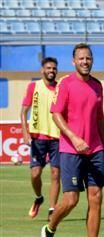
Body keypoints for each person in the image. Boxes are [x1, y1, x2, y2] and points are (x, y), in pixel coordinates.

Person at [39, 43, 104, 237]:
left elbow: (100, 118)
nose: (85, 62)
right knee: (71, 200)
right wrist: (74, 137)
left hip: (95, 149)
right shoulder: (66, 84)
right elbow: (56, 114)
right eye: (81, 58)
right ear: (73, 61)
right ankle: (50, 229)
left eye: (88, 58)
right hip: (71, 149)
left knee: (96, 197)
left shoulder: (98, 86)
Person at [20, 57, 61, 221]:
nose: (51, 71)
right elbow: (23, 111)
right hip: (38, 137)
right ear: (42, 70)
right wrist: (25, 132)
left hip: (57, 137)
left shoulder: (61, 88)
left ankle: (52, 209)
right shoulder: (33, 86)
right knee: (35, 173)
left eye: (54, 68)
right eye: (49, 68)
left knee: (55, 173)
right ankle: (38, 197)